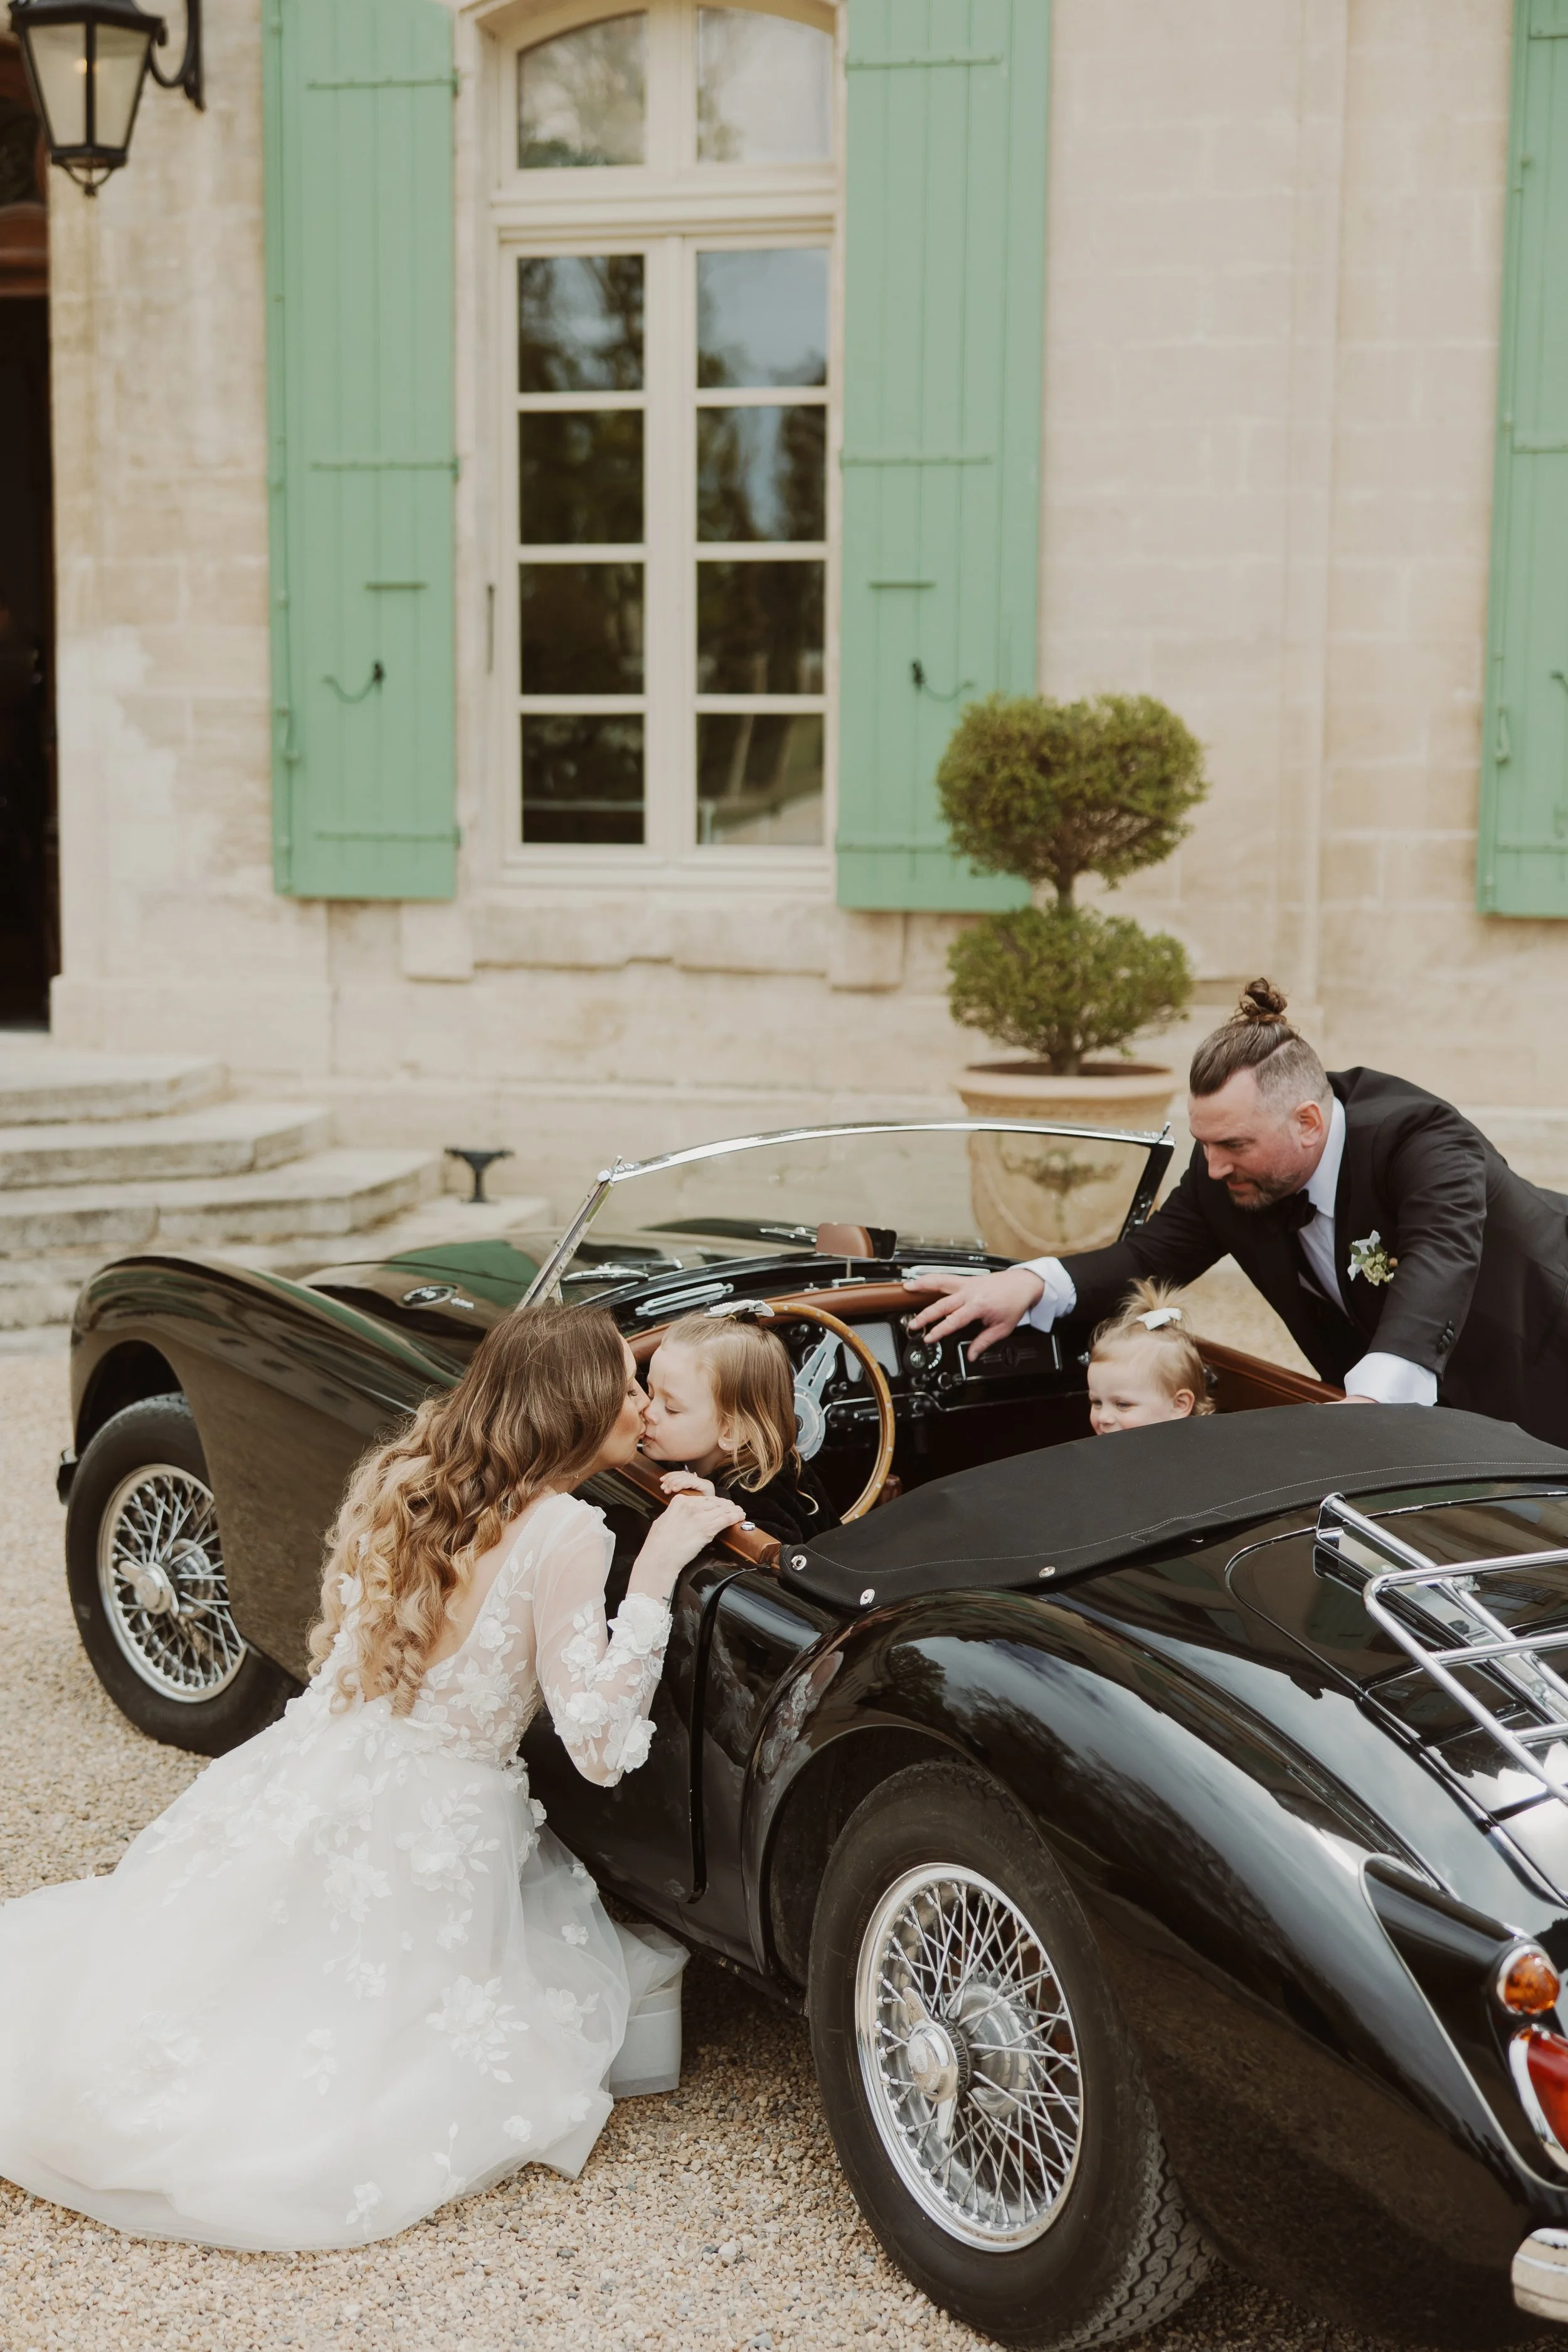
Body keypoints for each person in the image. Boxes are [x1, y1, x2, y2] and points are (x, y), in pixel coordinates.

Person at [0, 1305, 743, 2251]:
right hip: (438, 1822)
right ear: (575, 1406)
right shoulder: (571, 1531)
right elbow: (599, 1745)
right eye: (628, 1387)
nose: (643, 1403)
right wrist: (660, 1573)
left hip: (327, 1762)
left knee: (214, 1947)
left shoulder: (422, 1476)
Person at [912, 980, 1568, 1446]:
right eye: (1203, 1141)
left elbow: (1440, 1257)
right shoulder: (1226, 1175)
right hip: (1431, 1422)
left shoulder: (1420, 1139)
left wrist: (1368, 1405)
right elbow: (1147, 1256)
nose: (1214, 1165)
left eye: (1234, 1144)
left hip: (1545, 1359)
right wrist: (1025, 1284)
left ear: (1307, 1122)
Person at [641, 1311, 840, 1546]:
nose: (649, 1412)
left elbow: (784, 1552)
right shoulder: (677, 1450)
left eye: (672, 1409)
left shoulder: (764, 1486)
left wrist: (718, 1503)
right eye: (650, 1393)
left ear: (731, 1433)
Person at [1087, 1283, 1217, 1434]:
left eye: (1122, 1405)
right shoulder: (1109, 1449)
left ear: (1178, 1405)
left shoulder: (1192, 1454)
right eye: (1097, 1402)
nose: (1103, 1418)